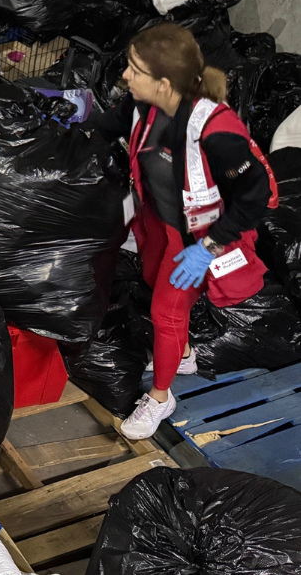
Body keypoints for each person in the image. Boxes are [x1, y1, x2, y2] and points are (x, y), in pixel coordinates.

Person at [89, 23, 277, 440]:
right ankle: (185, 354)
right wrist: (67, 125)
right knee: (153, 279)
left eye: (134, 69)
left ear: (163, 82)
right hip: (157, 220)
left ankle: (160, 398)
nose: (125, 75)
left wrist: (208, 248)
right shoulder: (143, 105)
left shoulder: (217, 130)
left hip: (199, 237)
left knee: (165, 311)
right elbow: (111, 124)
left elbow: (254, 195)